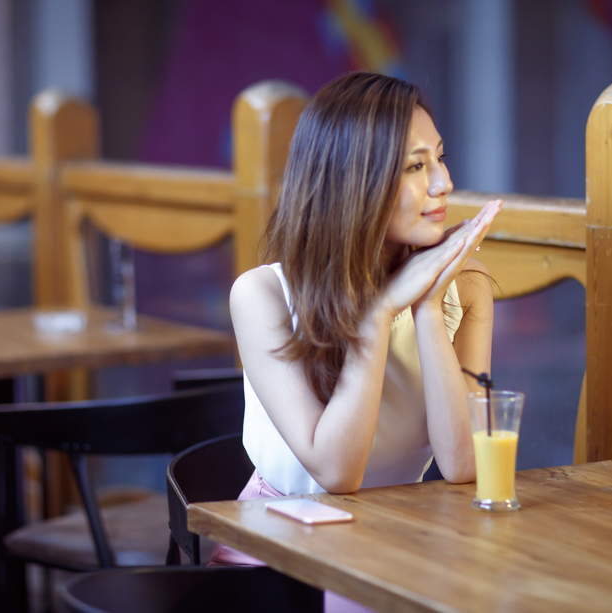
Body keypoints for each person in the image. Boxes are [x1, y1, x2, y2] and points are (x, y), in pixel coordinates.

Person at [212, 71, 502, 611]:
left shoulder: (466, 287)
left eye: (440, 158)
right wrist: (377, 316)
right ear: (353, 182)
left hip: (396, 543)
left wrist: (427, 307)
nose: (443, 183)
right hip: (280, 557)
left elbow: (464, 465)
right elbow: (335, 472)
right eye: (415, 166)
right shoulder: (262, 295)